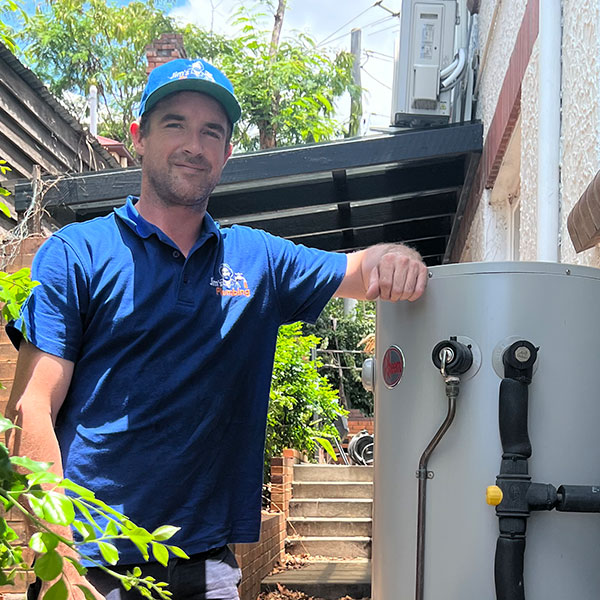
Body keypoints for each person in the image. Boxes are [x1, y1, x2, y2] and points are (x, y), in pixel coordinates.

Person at [6, 58, 428, 600]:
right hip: (92, 566)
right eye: (175, 123)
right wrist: (57, 560)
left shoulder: (257, 259)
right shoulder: (78, 253)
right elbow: (30, 407)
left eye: (212, 132)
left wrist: (397, 256)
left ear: (227, 153)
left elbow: (360, 270)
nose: (194, 144)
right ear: (139, 137)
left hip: (206, 568)